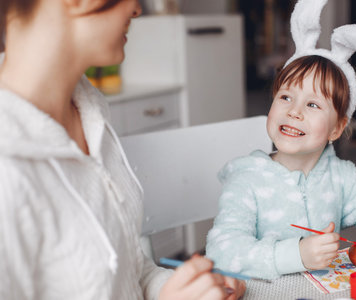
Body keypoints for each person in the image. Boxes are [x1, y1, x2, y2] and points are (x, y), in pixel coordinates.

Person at [0, 0, 245, 299]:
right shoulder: (8, 173)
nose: (137, 9)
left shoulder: (89, 110)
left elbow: (125, 270)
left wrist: (178, 289)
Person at [206, 0, 356, 280]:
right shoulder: (248, 180)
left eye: (312, 105)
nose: (294, 111)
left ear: (337, 129)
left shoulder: (340, 177)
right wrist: (295, 255)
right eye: (286, 97)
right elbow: (221, 251)